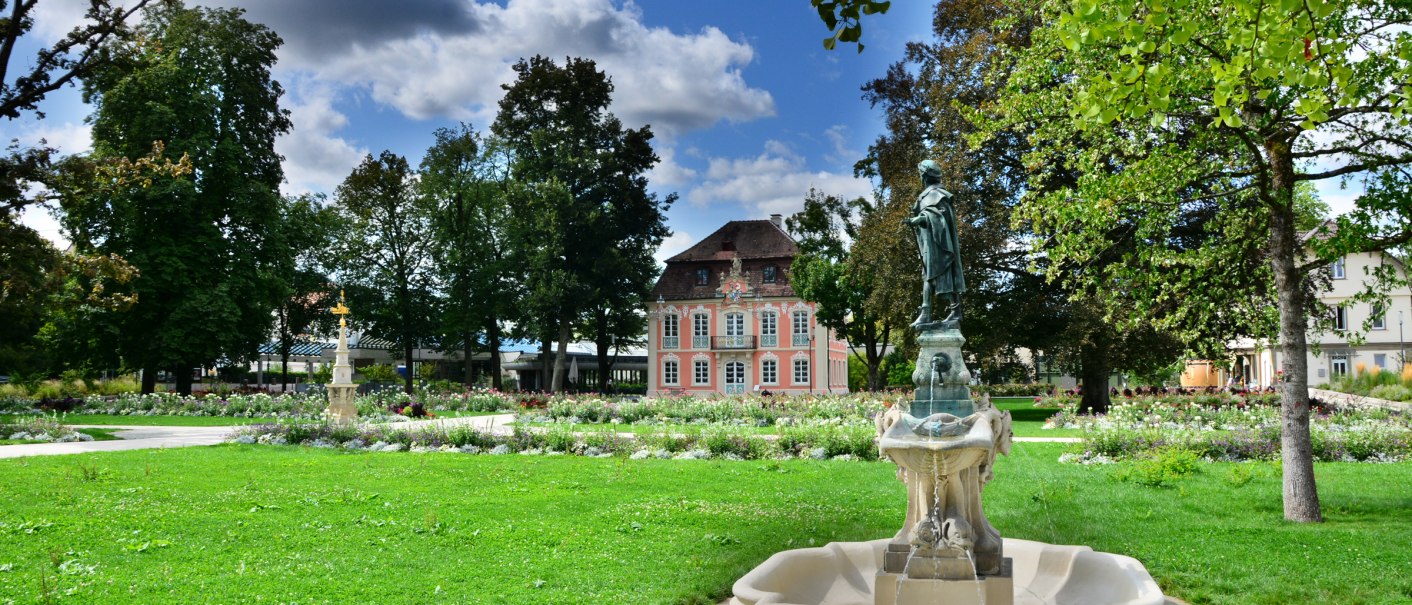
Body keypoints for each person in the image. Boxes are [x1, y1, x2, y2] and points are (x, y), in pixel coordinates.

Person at [905, 159, 965, 326]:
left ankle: (953, 311)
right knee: (927, 275)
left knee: (941, 274)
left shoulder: (939, 194)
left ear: (924, 175)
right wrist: (916, 220)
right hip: (928, 242)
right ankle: (933, 312)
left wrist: (922, 218)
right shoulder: (924, 196)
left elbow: (941, 216)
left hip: (940, 244)